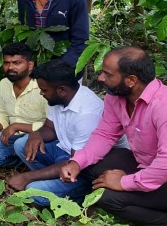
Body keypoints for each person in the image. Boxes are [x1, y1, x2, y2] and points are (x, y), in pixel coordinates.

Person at [60, 47, 167, 226]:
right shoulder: (116, 97)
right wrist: (77, 161)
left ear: (131, 80)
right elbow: (105, 134)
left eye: (108, 74)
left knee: (105, 197)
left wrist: (124, 182)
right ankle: (152, 202)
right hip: (148, 166)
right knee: (89, 165)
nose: (101, 79)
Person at [7, 59, 108, 206]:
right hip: (63, 151)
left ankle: (80, 194)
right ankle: (54, 182)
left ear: (62, 90)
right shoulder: (59, 98)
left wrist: (28, 177)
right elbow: (49, 129)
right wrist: (36, 134)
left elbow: (76, 163)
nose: (41, 93)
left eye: (44, 90)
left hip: (82, 170)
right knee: (22, 143)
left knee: (33, 191)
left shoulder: (87, 114)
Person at [0, 42, 49, 168]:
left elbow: (54, 125)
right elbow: (1, 113)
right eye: (7, 63)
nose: (10, 67)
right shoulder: (4, 84)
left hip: (40, 136)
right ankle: (22, 161)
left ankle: (33, 160)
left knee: (21, 144)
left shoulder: (43, 87)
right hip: (11, 136)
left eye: (17, 63)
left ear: (30, 65)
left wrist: (16, 126)